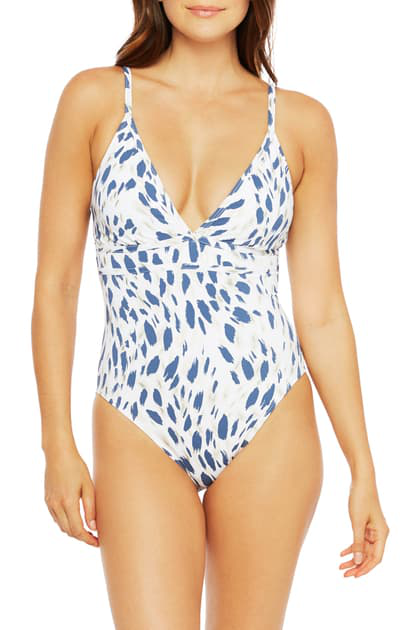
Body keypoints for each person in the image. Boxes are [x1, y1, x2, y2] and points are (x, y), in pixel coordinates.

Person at [31, 1, 389, 628]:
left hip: (268, 415)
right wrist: (56, 443)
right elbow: (57, 285)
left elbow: (323, 311)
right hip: (137, 416)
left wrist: (364, 468)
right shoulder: (94, 101)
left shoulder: (302, 123)